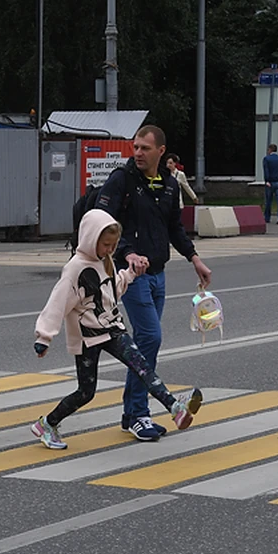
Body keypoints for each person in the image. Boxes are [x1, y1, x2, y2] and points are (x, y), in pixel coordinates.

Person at [31, 209, 203, 449]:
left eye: (113, 245)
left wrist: (130, 273)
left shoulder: (106, 261)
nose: (110, 250)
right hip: (87, 337)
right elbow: (57, 303)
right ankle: (47, 424)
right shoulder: (75, 268)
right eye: (106, 245)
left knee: (141, 366)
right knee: (85, 392)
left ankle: (175, 408)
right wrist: (44, 337)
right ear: (91, 239)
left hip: (112, 329)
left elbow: (111, 292)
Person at [96, 125, 213, 441]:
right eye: (135, 147)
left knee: (148, 343)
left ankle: (132, 413)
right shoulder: (123, 180)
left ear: (161, 151)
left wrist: (194, 258)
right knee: (150, 337)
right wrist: (127, 252)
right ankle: (137, 413)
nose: (137, 153)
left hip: (158, 274)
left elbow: (174, 228)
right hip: (130, 274)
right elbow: (101, 222)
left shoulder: (170, 185)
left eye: (145, 148)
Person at [263, 144, 278, 225]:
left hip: (271, 182)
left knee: (268, 201)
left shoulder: (267, 159)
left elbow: (266, 171)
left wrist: (267, 181)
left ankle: (267, 217)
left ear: (270, 150)